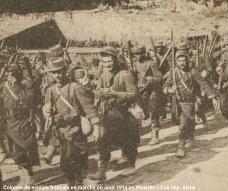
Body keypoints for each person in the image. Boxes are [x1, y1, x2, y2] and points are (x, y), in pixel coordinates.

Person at [43, 57, 100, 188]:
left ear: (66, 71)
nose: (57, 75)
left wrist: (96, 127)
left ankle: (80, 183)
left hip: (76, 131)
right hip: (61, 132)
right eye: (54, 72)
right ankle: (72, 185)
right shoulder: (50, 90)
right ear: (50, 74)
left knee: (78, 161)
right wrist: (46, 110)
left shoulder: (75, 88)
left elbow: (89, 109)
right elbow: (47, 108)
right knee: (66, 164)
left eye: (60, 71)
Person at [88, 46, 139, 181]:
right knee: (102, 141)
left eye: (109, 61)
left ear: (115, 60)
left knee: (128, 141)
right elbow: (99, 89)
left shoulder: (125, 74)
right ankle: (102, 171)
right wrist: (98, 92)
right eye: (104, 62)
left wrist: (115, 94)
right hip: (108, 114)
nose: (107, 65)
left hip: (124, 114)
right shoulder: (103, 75)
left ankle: (131, 165)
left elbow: (134, 94)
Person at [163, 49, 214, 158]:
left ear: (187, 61)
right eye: (179, 61)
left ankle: (181, 147)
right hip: (177, 103)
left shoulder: (193, 71)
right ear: (176, 62)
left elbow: (203, 83)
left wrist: (211, 94)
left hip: (189, 102)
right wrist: (170, 90)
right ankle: (190, 137)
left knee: (183, 125)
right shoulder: (174, 72)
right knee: (187, 122)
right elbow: (165, 86)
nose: (182, 63)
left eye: (184, 60)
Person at [0, 63, 40, 188]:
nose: (9, 77)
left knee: (25, 151)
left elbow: (31, 97)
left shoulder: (25, 87)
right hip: (8, 123)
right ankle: (23, 176)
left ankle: (28, 177)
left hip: (22, 123)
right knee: (14, 153)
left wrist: (20, 81)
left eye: (12, 74)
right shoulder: (3, 87)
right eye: (7, 74)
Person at [133, 46, 163, 146]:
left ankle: (155, 136)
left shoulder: (151, 63)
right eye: (136, 54)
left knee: (153, 113)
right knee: (138, 114)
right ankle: (137, 138)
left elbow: (159, 77)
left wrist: (149, 79)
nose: (138, 56)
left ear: (144, 53)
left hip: (152, 91)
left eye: (140, 54)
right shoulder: (134, 64)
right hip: (140, 92)